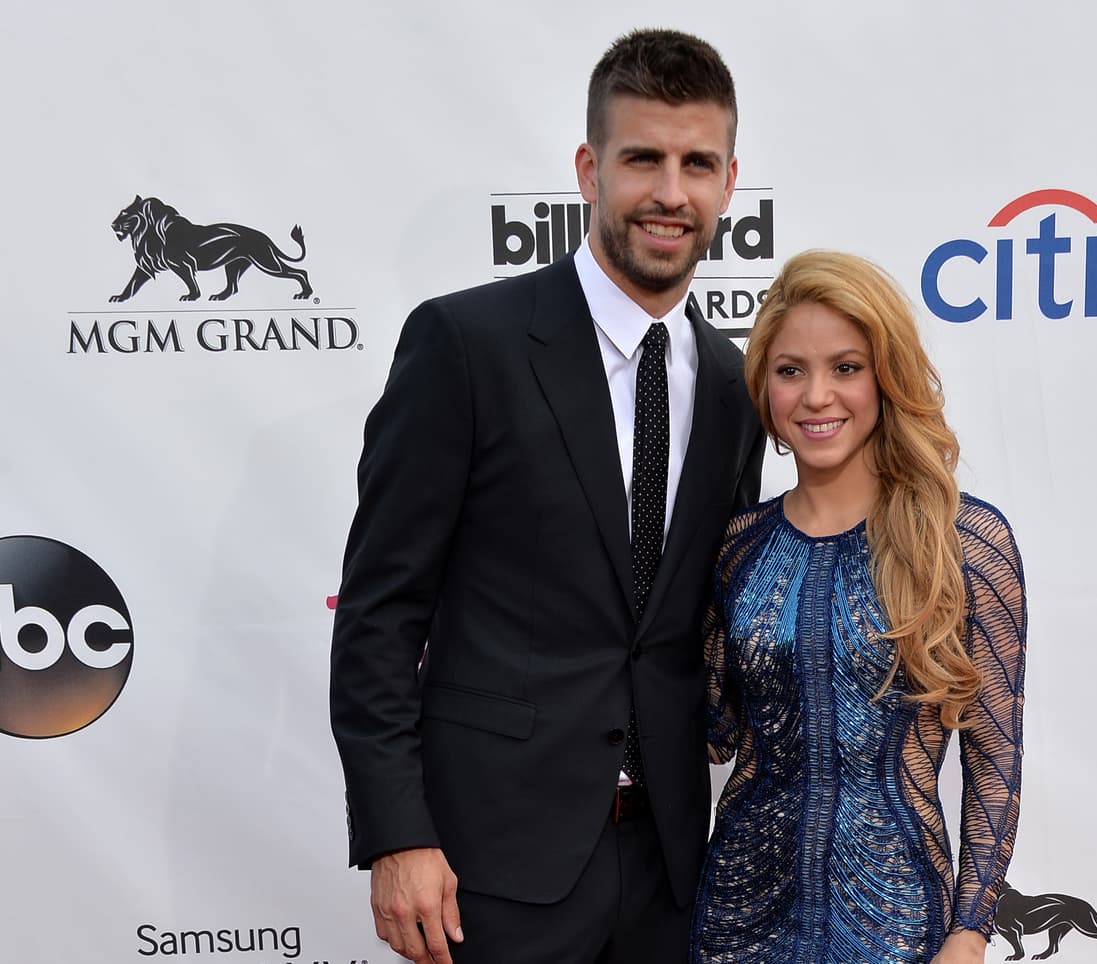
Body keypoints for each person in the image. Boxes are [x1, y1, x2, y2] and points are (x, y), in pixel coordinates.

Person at [330, 28, 765, 964]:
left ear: (731, 182)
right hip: (494, 866)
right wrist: (398, 833)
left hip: (672, 869)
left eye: (698, 163)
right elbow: (379, 612)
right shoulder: (466, 345)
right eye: (641, 158)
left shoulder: (739, 387)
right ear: (589, 169)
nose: (670, 192)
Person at [690, 251, 1027, 964]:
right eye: (790, 370)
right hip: (739, 916)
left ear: (886, 378)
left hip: (899, 922)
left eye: (846, 367)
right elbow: (714, 734)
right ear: (764, 387)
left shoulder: (963, 541)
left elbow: (994, 754)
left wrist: (969, 931)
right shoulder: (736, 547)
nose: (817, 396)